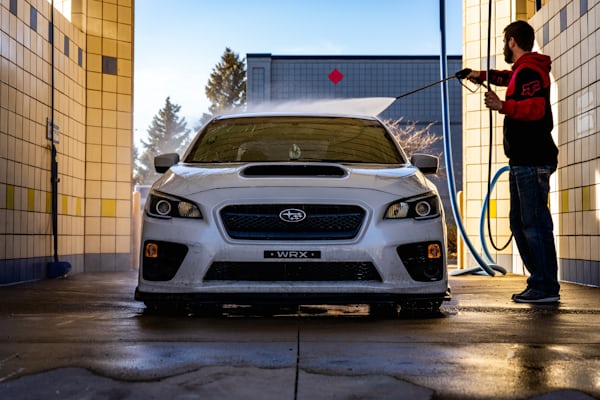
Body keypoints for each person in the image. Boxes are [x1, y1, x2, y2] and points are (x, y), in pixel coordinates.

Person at [466, 20, 560, 303]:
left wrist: (502, 106)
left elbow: (537, 108)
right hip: (523, 161)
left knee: (534, 224)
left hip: (532, 160)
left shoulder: (530, 69)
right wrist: (478, 74)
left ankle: (545, 286)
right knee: (520, 224)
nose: (503, 46)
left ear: (511, 42)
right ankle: (540, 283)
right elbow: (509, 79)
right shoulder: (524, 70)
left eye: (504, 41)